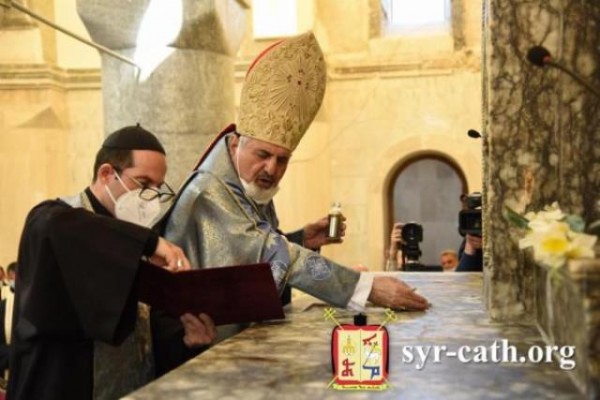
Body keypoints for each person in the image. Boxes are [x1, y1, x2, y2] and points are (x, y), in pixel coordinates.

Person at [154, 32, 429, 374]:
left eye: (282, 159)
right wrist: (367, 287)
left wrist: (302, 239)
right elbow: (269, 250)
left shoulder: (247, 186)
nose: (271, 169)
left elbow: (254, 248)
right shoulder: (210, 191)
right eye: (263, 154)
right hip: (195, 352)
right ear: (236, 144)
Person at [7, 125, 217, 400]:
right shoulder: (55, 220)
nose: (152, 197)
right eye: (144, 184)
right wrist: (150, 243)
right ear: (107, 174)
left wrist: (186, 340)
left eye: (158, 188)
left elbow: (145, 332)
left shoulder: (136, 241)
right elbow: (49, 224)